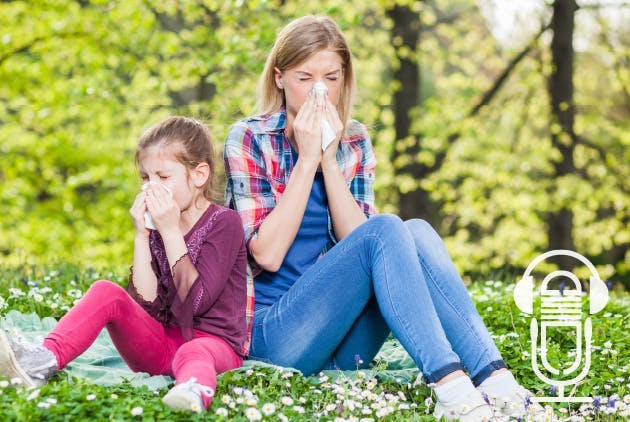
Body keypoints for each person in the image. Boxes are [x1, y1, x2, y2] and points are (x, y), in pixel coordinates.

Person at [223, 15, 540, 421]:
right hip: (277, 339)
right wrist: (306, 160)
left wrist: (330, 160)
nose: (319, 91)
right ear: (280, 78)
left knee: (416, 232)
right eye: (305, 78)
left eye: (331, 78)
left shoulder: (353, 139)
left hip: (341, 341)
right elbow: (265, 254)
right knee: (389, 227)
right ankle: (449, 384)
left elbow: (369, 245)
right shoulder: (250, 138)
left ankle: (496, 381)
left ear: (344, 79)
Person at [0, 116, 249, 413]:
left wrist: (170, 230)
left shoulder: (224, 222)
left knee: (195, 351)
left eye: (163, 177)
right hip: (161, 348)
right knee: (106, 291)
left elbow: (196, 302)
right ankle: (42, 361)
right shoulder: (158, 227)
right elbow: (145, 306)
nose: (151, 188)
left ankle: (192, 391)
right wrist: (142, 235)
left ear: (199, 176)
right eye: (146, 178)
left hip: (214, 347)